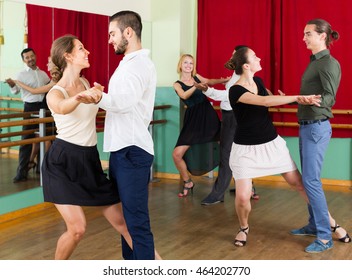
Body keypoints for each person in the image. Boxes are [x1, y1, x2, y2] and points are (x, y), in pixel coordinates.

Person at [41, 34, 161, 260]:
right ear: (67, 56)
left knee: (124, 224)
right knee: (77, 229)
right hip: (62, 163)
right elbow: (61, 107)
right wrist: (79, 98)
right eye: (81, 48)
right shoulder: (55, 92)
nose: (87, 52)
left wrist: (98, 95)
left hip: (89, 160)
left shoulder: (86, 83)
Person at [227, 46, 349, 251]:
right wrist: (296, 98)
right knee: (242, 197)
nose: (259, 57)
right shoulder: (235, 90)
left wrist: (281, 97)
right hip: (245, 150)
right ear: (246, 65)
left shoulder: (258, 81)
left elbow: (269, 99)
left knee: (301, 185)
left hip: (271, 144)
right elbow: (263, 101)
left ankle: (331, 223)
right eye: (255, 56)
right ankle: (244, 227)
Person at [78, 11, 158, 260]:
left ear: (128, 32)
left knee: (136, 222)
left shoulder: (139, 64)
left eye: (112, 34)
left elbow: (124, 102)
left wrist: (98, 97)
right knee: (128, 220)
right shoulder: (130, 63)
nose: (109, 40)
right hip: (124, 150)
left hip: (132, 150)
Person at [286, 19, 351, 253]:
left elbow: (330, 97)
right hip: (306, 126)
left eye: (308, 34)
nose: (304, 37)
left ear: (322, 36)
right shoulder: (314, 62)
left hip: (316, 127)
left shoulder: (328, 63)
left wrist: (310, 100)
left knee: (312, 181)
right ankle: (314, 224)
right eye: (304, 34)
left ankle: (325, 237)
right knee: (308, 180)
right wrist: (296, 98)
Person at [197, 45, 259, 206]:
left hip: (233, 118)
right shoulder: (236, 74)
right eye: (233, 55)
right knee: (237, 154)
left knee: (227, 156)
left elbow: (229, 95)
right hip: (230, 117)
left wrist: (208, 91)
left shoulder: (242, 77)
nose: (233, 57)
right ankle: (248, 188)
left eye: (236, 55)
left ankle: (218, 194)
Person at [173, 54, 229, 198]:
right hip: (192, 120)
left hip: (207, 115)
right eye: (185, 63)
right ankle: (187, 182)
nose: (188, 65)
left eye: (191, 63)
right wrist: (195, 87)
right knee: (177, 154)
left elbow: (209, 81)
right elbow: (184, 96)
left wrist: (224, 80)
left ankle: (246, 183)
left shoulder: (196, 77)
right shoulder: (177, 84)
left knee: (226, 147)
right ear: (180, 65)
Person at [5, 48, 50, 182]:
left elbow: (49, 88)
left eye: (31, 56)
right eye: (27, 57)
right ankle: (22, 172)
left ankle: (40, 167)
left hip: (43, 107)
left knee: (44, 138)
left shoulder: (43, 74)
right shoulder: (20, 74)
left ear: (35, 56)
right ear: (23, 60)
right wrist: (12, 85)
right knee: (26, 140)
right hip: (29, 108)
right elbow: (15, 92)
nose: (30, 59)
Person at [14, 57, 60, 171]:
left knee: (47, 139)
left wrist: (18, 83)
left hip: (51, 111)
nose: (46, 63)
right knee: (37, 137)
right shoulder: (54, 79)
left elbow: (34, 91)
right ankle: (33, 164)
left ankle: (46, 166)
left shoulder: (52, 79)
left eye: (49, 62)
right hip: (40, 108)